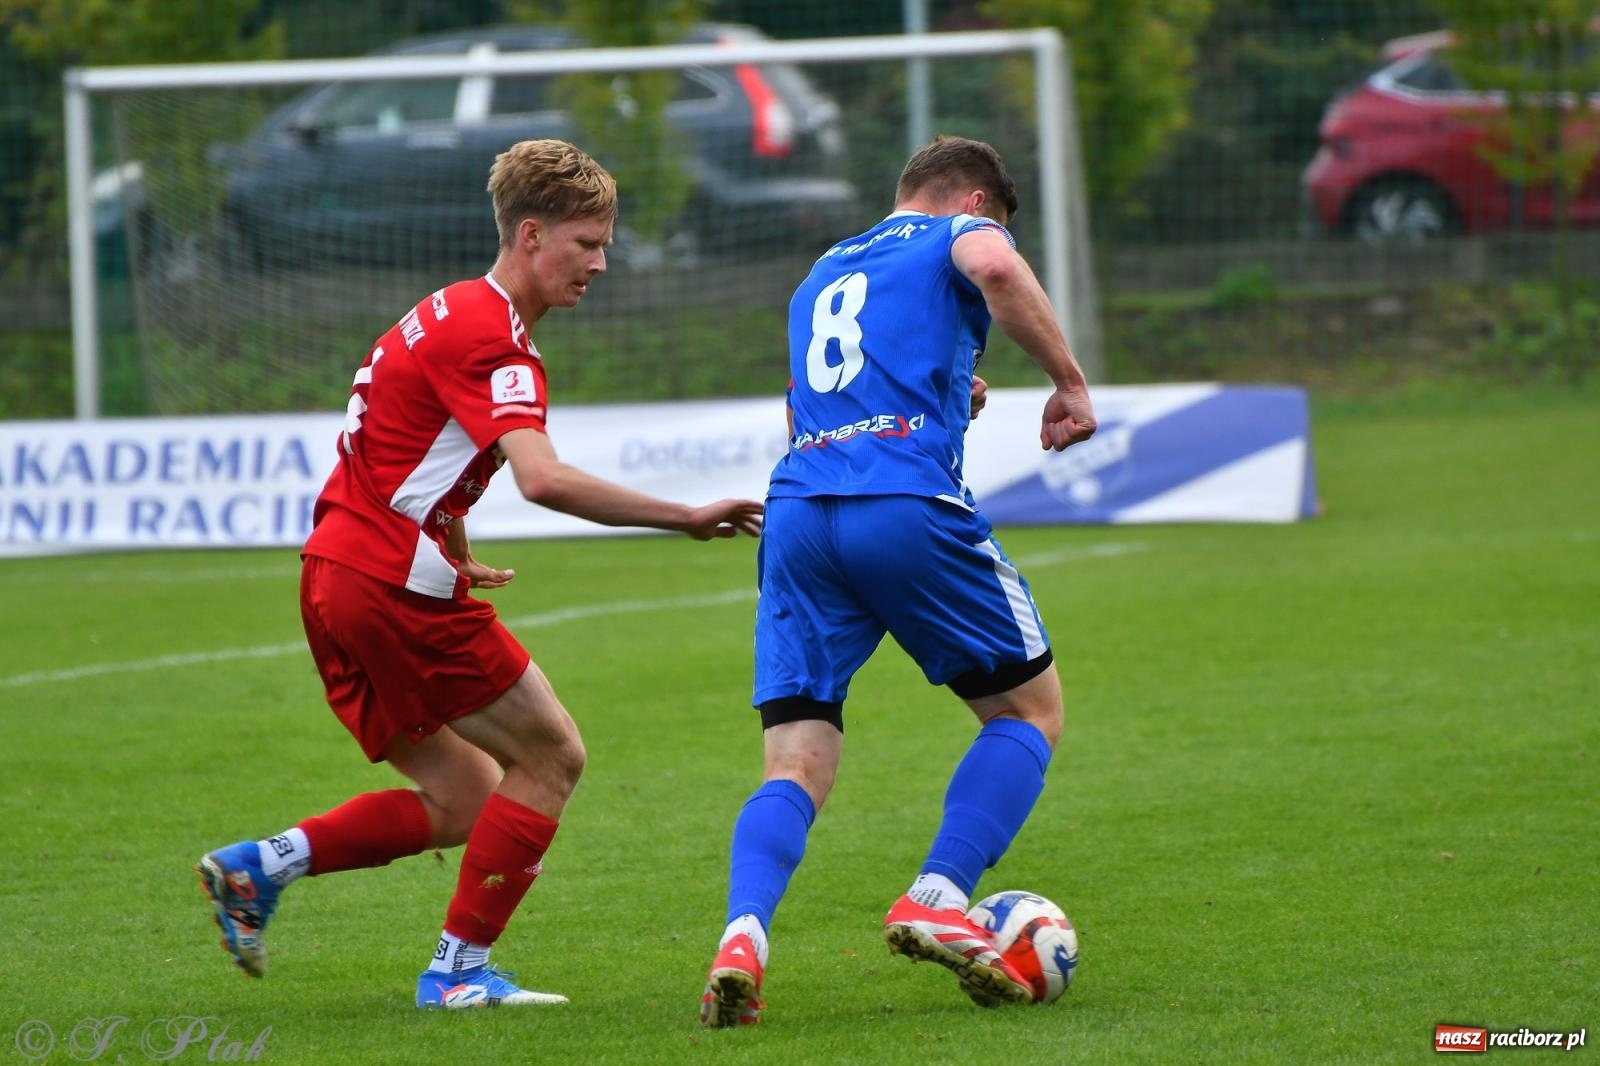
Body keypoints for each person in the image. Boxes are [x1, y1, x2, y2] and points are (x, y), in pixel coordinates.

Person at [196, 139, 763, 1010]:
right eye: (587, 243)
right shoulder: (497, 341)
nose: (601, 264)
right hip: (388, 584)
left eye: (605, 245)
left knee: (466, 796)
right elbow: (543, 478)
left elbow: (409, 443)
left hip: (333, 574)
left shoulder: (445, 309)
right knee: (553, 755)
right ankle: (457, 975)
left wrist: (452, 537)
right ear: (531, 234)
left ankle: (257, 868)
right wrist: (684, 515)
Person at [698, 135, 1097, 1027]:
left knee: (795, 759)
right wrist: (1066, 380)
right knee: (1029, 712)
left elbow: (815, 402)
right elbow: (993, 263)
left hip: (800, 512)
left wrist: (954, 393)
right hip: (902, 503)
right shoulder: (960, 235)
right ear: (971, 202)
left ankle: (743, 936)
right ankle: (938, 893)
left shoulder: (822, 272)